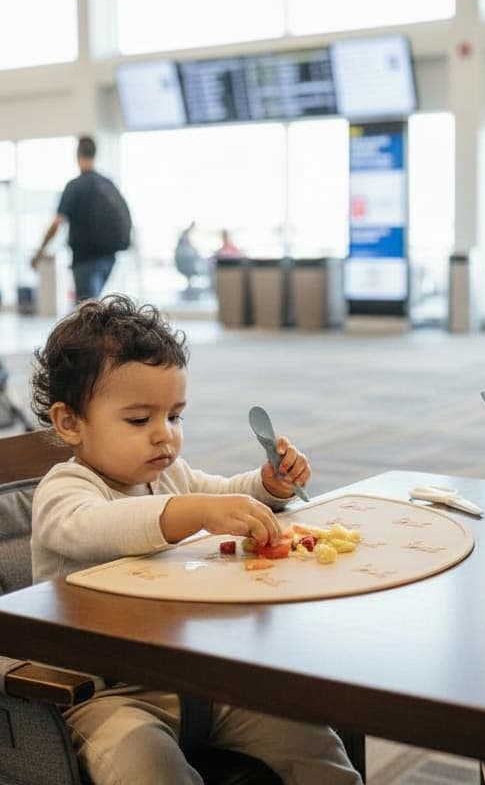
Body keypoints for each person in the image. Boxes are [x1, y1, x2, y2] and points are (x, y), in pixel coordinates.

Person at [29, 294, 362, 785]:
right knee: (149, 769)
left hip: (193, 679)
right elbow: (96, 525)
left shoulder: (169, 476)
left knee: (311, 739)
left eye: (175, 416)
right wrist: (193, 512)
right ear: (70, 422)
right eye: (140, 420)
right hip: (103, 697)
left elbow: (224, 493)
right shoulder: (66, 489)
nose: (164, 435)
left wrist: (267, 486)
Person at [31, 135, 132, 302]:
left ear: (77, 155)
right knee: (93, 306)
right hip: (109, 258)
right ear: (95, 154)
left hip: (85, 259)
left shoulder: (75, 186)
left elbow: (56, 223)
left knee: (87, 313)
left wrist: (40, 250)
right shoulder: (108, 184)